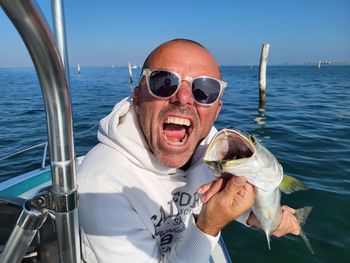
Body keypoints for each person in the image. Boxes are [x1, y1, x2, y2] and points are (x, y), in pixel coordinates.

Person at [78, 39, 301, 262]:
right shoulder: (102, 184)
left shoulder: (215, 147)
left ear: (216, 110)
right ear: (138, 98)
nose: (183, 98)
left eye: (205, 89)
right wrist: (209, 226)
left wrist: (254, 216)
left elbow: (226, 195)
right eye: (163, 82)